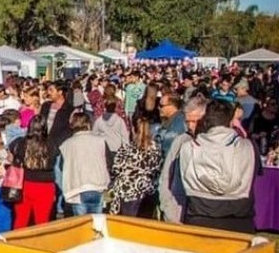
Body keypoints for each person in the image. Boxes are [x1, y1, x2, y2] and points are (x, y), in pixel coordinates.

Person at [179, 99, 258, 234]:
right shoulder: (248, 146)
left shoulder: (188, 147)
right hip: (238, 218)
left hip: (199, 216)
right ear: (230, 121)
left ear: (205, 120)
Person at [158, 96, 207, 223]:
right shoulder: (181, 140)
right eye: (188, 121)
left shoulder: (210, 144)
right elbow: (166, 175)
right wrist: (167, 205)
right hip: (175, 209)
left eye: (195, 121)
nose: (191, 126)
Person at [60, 112, 112, 216]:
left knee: (82, 226)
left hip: (78, 187)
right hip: (99, 186)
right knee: (98, 223)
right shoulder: (101, 141)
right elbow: (109, 162)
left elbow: (62, 166)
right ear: (89, 124)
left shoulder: (66, 144)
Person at [109, 116, 163, 216]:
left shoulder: (126, 148)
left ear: (133, 129)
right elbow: (158, 170)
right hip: (147, 192)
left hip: (127, 192)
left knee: (128, 226)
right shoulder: (156, 149)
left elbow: (116, 169)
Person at [11, 116, 58, 228]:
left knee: (21, 219)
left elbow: (11, 150)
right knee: (42, 221)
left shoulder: (21, 143)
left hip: (24, 184)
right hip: (45, 186)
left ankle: (17, 243)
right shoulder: (51, 144)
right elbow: (56, 157)